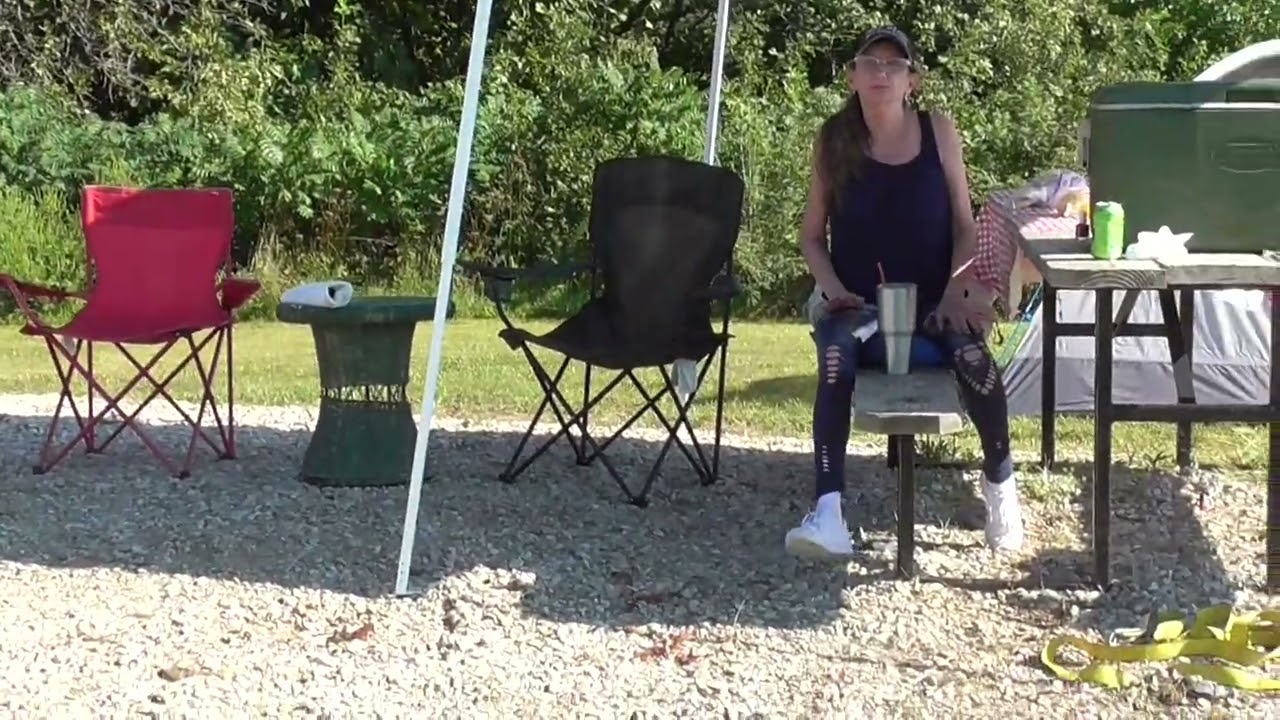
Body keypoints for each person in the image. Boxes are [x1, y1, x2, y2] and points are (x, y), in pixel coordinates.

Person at [785, 25, 1025, 561]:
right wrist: (834, 291)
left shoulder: (940, 132)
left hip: (935, 301)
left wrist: (957, 287)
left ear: (912, 80)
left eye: (894, 66)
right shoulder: (834, 139)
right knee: (834, 358)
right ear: (852, 76)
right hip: (860, 307)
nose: (881, 74)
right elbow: (810, 236)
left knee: (975, 361)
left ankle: (1001, 487)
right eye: (870, 64)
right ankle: (828, 514)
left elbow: (966, 225)